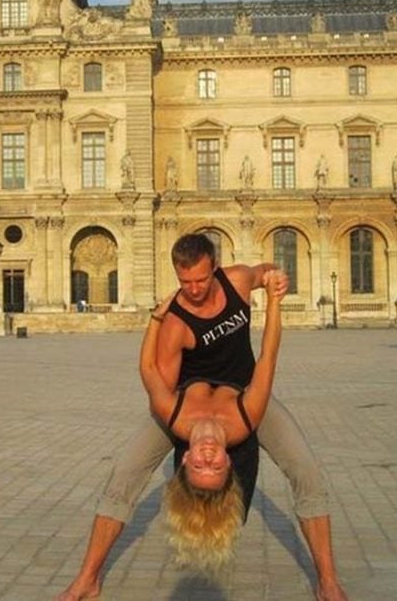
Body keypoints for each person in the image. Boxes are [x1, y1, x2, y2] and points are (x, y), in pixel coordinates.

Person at [58, 233, 348, 601]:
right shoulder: (177, 323)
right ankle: (88, 577)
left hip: (247, 392)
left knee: (306, 469)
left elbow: (263, 285)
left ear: (215, 268)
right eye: (184, 282)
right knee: (124, 475)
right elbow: (156, 380)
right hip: (184, 401)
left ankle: (328, 580)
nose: (193, 289)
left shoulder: (238, 281)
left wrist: (275, 279)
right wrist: (181, 424)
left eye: (200, 279)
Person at [140, 271, 284, 572]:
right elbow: (268, 357)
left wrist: (156, 319)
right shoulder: (246, 419)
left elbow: (148, 370)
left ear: (185, 458)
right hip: (237, 374)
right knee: (307, 470)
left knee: (123, 474)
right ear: (229, 462)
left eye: (198, 466)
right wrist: (274, 301)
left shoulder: (175, 417)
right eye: (216, 466)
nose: (207, 457)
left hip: (194, 371)